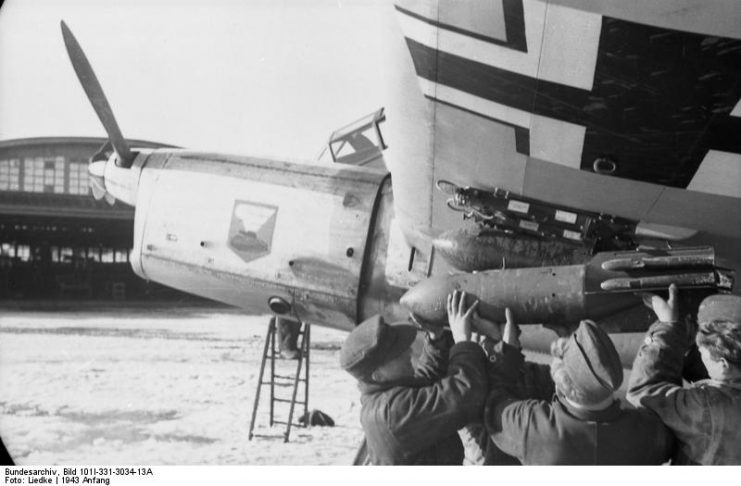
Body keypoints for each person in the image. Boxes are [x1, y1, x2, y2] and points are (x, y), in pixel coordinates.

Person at [470, 310, 674, 465]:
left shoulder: (532, 429)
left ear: (559, 387)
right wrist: (668, 327)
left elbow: (494, 405)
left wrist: (503, 349)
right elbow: (664, 408)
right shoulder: (646, 434)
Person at [340, 290, 488, 465]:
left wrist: (436, 338)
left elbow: (424, 383)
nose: (409, 352)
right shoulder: (393, 413)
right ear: (377, 375)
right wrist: (463, 341)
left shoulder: (382, 398)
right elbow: (465, 393)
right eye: (397, 354)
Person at [627, 284, 741, 464]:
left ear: (723, 364)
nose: (701, 354)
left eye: (702, 352)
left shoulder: (707, 407)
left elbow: (643, 392)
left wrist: (668, 326)